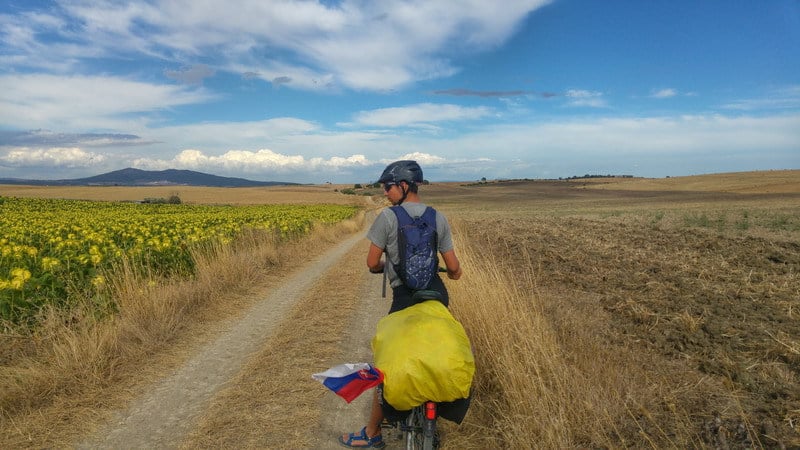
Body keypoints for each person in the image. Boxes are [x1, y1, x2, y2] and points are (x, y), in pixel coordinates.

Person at [338, 160, 464, 449]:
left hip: (405, 298)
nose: (385, 192)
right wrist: (454, 273)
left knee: (388, 364)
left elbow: (371, 263)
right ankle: (435, 413)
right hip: (435, 295)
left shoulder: (387, 218)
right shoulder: (438, 217)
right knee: (437, 350)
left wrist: (384, 267)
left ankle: (372, 434)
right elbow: (454, 267)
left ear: (404, 186)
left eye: (388, 186)